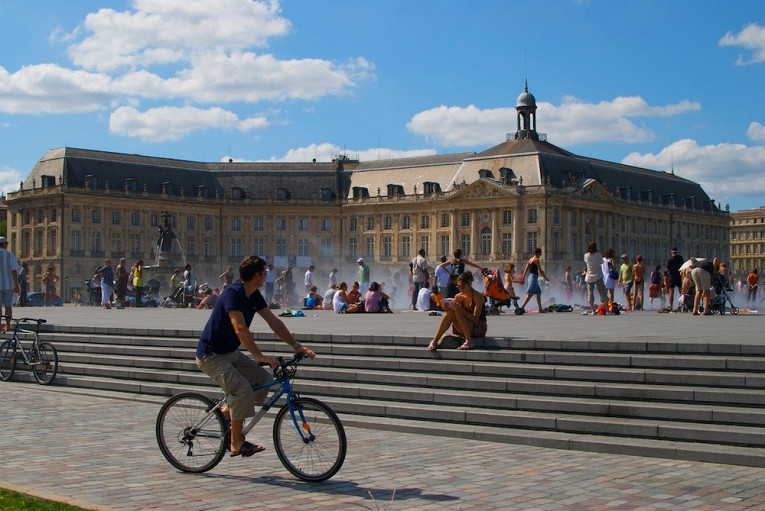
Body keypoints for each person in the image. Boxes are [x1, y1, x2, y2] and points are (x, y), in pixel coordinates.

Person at [195, 256, 315, 456]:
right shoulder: (233, 294)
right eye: (265, 272)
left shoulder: (254, 295)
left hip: (229, 353)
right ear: (257, 275)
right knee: (241, 389)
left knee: (264, 380)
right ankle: (235, 443)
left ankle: (225, 415)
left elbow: (274, 322)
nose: (268, 275)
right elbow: (240, 329)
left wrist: (297, 345)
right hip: (211, 355)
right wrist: (260, 357)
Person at [427, 271, 485, 351]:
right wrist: (446, 308)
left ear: (469, 283)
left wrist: (461, 310)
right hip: (462, 327)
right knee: (451, 312)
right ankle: (435, 340)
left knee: (457, 311)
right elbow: (454, 313)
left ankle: (469, 341)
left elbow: (475, 319)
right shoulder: (458, 296)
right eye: (458, 287)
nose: (460, 289)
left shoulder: (478, 297)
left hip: (477, 328)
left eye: (463, 287)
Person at [519, 248, 549, 313]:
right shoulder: (536, 260)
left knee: (538, 293)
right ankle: (522, 307)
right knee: (530, 294)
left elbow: (526, 270)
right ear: (538, 253)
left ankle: (540, 309)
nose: (540, 255)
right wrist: (545, 278)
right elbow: (540, 271)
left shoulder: (530, 259)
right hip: (533, 277)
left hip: (531, 276)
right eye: (540, 253)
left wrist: (523, 278)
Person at [0, 237, 19, 333]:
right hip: (8, 285)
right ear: (4, 244)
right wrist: (16, 285)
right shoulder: (10, 255)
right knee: (8, 307)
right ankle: (7, 326)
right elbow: (14, 271)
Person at [584, 241, 608, 314]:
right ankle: (607, 310)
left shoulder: (586, 256)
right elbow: (601, 262)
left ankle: (593, 311)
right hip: (598, 276)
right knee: (603, 292)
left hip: (589, 277)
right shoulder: (598, 255)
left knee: (590, 294)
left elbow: (586, 262)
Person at [666, 247, 684, 311]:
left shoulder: (669, 260)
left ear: (671, 252)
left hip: (671, 276)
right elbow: (682, 267)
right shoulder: (680, 258)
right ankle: (682, 305)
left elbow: (667, 269)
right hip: (678, 275)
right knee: (681, 291)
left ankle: (671, 306)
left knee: (671, 292)